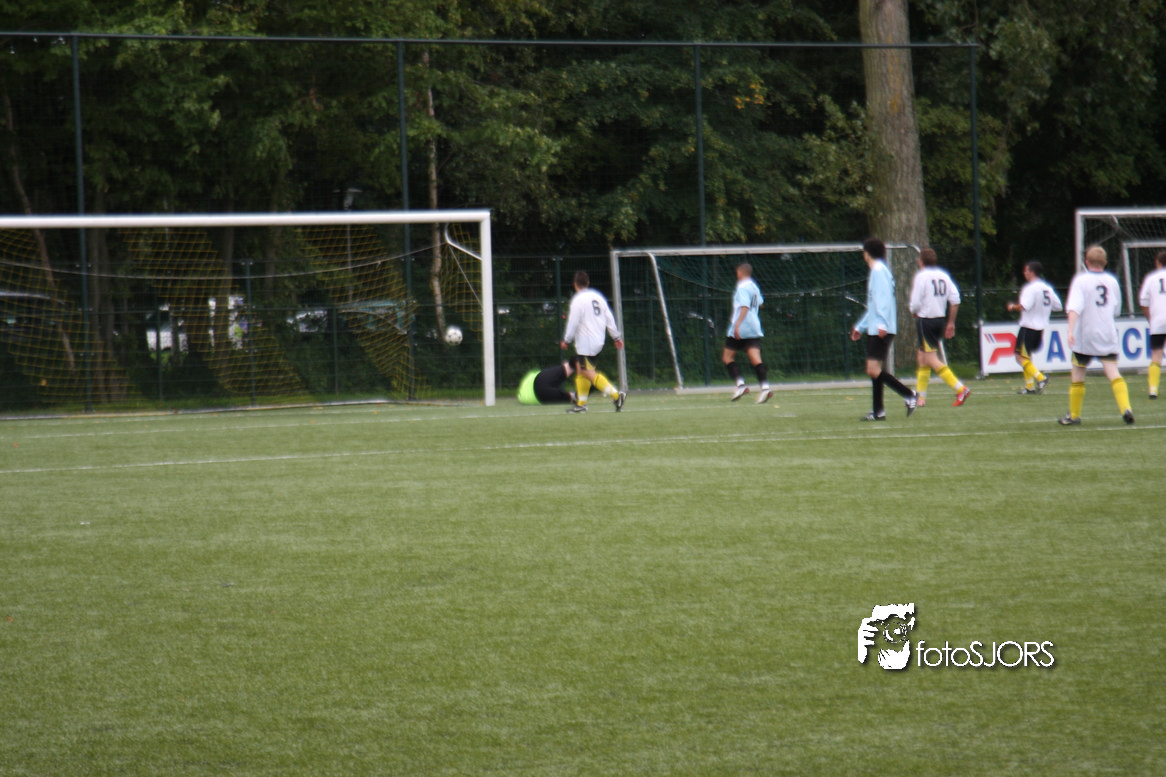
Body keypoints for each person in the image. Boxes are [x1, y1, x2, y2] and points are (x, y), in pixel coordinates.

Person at [1059, 246, 1134, 425]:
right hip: (1107, 334)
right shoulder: (1112, 281)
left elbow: (1074, 308)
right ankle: (1126, 408)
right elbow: (1116, 310)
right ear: (1105, 263)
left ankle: (1074, 416)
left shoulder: (1080, 280)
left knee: (1078, 374)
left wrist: (1070, 330)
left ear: (1086, 262)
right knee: (1113, 372)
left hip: (1086, 335)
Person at [851, 238, 917, 421]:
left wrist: (882, 324)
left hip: (881, 328)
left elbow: (884, 302)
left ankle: (909, 394)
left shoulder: (878, 271)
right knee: (875, 370)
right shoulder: (879, 270)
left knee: (873, 369)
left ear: (867, 253)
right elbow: (874, 306)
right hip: (877, 327)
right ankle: (878, 411)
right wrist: (860, 326)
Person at [908, 248, 970, 407]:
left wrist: (913, 311)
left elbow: (915, 303)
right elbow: (955, 299)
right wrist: (951, 322)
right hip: (939, 320)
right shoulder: (944, 275)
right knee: (922, 358)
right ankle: (921, 397)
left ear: (921, 261)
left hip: (926, 321)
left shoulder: (921, 276)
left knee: (930, 359)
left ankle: (960, 388)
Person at [560, 271, 626, 413]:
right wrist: (616, 337)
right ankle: (581, 405)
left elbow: (573, 322)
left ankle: (617, 395)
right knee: (580, 370)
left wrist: (566, 340)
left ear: (575, 284)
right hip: (598, 340)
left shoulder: (578, 300)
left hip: (586, 342)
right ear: (588, 283)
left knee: (587, 372)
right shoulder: (598, 297)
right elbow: (609, 317)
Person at [1007, 261, 1063, 394]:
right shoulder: (1047, 288)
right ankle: (1030, 387)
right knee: (1026, 357)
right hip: (1040, 328)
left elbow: (1023, 306)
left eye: (1026, 270)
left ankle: (1041, 378)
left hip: (1028, 327)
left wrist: (1012, 307)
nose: (1024, 273)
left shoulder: (1030, 288)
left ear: (1032, 272)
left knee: (1019, 356)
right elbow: (1058, 306)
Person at [723, 263, 773, 404]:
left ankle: (740, 385)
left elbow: (745, 306)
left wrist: (737, 324)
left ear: (740, 272)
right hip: (754, 326)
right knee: (756, 358)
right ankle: (765, 388)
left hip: (741, 326)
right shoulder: (754, 287)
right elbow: (760, 304)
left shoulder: (742, 287)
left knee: (727, 357)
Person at [1137, 250, 1166, 399]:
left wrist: (1150, 318)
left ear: (1158, 263)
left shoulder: (1151, 278)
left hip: (1158, 320)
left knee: (1156, 353)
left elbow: (1143, 301)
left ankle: (1153, 389)